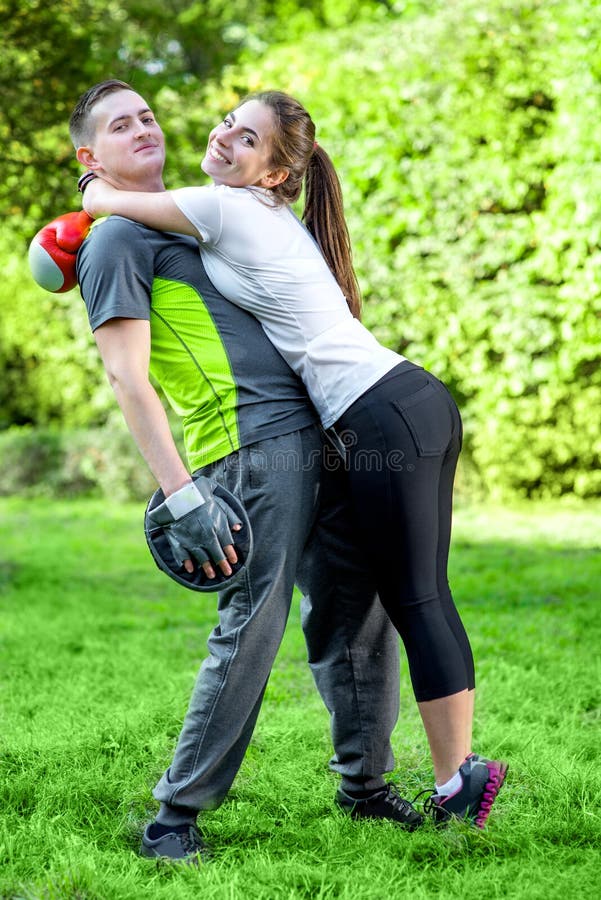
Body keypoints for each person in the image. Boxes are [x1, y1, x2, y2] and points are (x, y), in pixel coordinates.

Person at [82, 89, 508, 829]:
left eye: (148, 115)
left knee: (368, 609)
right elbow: (126, 375)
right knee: (263, 619)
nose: (145, 126)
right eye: (120, 125)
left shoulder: (211, 212)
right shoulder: (125, 237)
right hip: (262, 447)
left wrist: (77, 212)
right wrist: (181, 493)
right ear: (89, 156)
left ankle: (374, 788)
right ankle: (175, 817)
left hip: (342, 430)